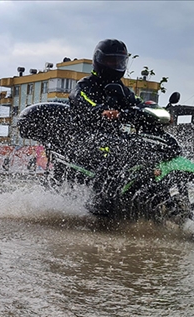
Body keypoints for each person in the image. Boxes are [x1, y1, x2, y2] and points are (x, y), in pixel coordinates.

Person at [69, 39, 145, 208]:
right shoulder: (85, 85)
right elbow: (84, 101)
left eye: (119, 61)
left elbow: (137, 103)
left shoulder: (120, 88)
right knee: (118, 149)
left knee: (140, 146)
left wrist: (154, 110)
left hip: (112, 136)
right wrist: (101, 111)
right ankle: (98, 200)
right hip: (84, 137)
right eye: (111, 60)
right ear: (99, 60)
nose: (115, 64)